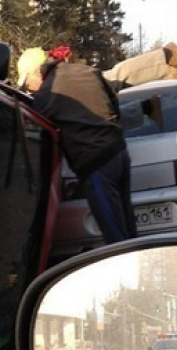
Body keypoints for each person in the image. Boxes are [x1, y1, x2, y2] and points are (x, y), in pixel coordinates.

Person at [16, 47, 137, 244]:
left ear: (38, 72)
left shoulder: (48, 94)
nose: (30, 90)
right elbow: (114, 105)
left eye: (28, 83)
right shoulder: (85, 70)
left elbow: (35, 132)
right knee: (127, 222)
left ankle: (127, 269)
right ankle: (139, 259)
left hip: (96, 163)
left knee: (114, 234)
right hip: (119, 153)